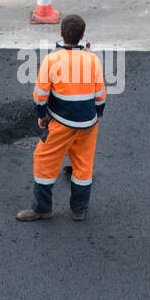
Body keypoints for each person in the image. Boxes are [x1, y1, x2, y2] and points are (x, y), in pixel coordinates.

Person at [15, 14, 106, 222]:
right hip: (88, 123)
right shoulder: (93, 59)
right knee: (83, 165)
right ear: (82, 35)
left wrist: (41, 117)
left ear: (61, 34)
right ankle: (79, 210)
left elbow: (40, 95)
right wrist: (97, 116)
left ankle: (42, 208)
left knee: (43, 161)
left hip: (61, 123)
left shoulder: (52, 60)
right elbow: (100, 94)